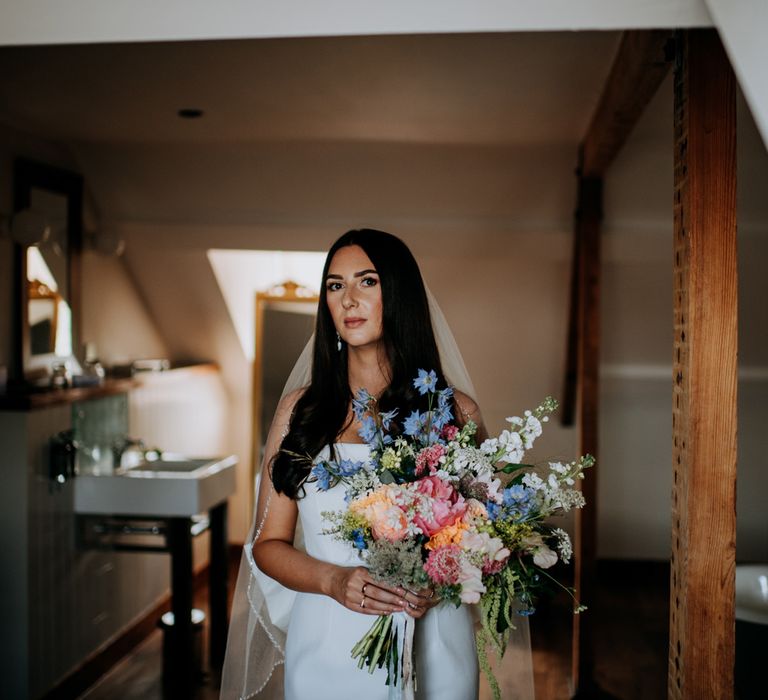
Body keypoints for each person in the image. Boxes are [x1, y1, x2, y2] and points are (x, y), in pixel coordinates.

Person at [220, 229, 533, 700]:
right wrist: (334, 580)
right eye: (335, 285)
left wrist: (445, 577)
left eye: (367, 282)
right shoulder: (299, 413)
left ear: (399, 293)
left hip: (435, 642)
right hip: (327, 645)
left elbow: (492, 538)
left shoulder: (454, 412)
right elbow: (268, 545)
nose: (349, 299)